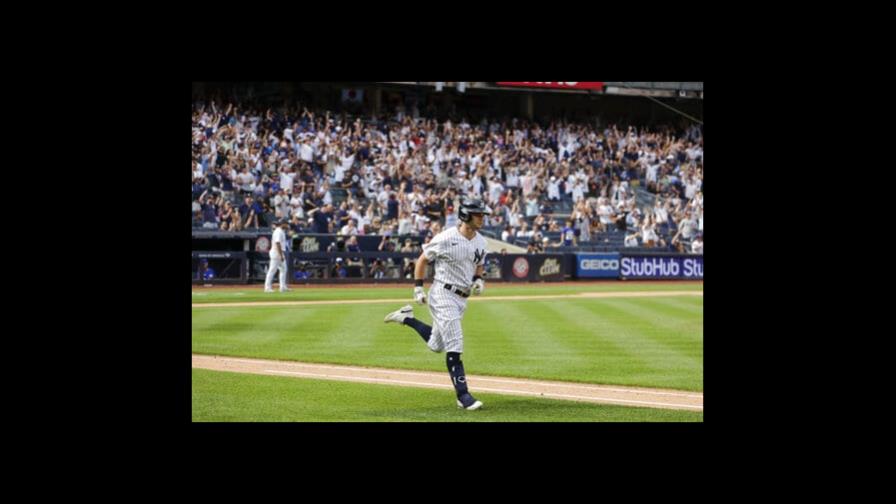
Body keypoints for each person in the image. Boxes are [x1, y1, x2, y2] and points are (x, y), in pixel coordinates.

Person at [382, 197, 490, 411]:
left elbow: (479, 263)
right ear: (465, 215)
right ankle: (463, 396)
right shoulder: (446, 238)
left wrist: (478, 280)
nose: (482, 218)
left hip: (461, 298)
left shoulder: (481, 242)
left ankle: (407, 318)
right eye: (478, 214)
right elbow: (422, 260)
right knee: (455, 343)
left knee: (436, 345)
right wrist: (418, 287)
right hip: (443, 294)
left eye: (482, 214)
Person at [264, 219, 291, 292]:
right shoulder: (278, 231)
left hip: (279, 252)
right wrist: (281, 255)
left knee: (284, 269)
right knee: (272, 270)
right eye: (286, 224)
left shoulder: (281, 231)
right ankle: (267, 287)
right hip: (276, 252)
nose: (287, 225)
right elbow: (277, 243)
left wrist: (281, 254)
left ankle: (282, 287)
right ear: (283, 224)